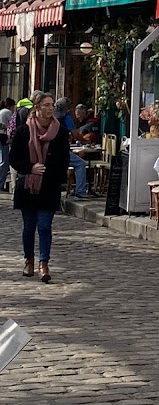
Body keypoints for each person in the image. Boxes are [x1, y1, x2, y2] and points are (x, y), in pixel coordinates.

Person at [10, 90, 70, 283]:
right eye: (46, 105)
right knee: (29, 227)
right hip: (28, 186)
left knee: (45, 226)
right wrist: (30, 168)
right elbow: (14, 159)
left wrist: (55, 177)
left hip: (49, 187)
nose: (50, 108)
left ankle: (44, 264)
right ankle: (29, 260)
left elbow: (64, 160)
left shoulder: (60, 131)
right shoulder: (24, 131)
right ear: (37, 108)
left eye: (52, 105)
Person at [55, 97, 92, 200]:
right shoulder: (66, 118)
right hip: (61, 149)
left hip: (50, 149)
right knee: (81, 164)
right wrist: (85, 141)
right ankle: (80, 191)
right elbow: (75, 134)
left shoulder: (51, 115)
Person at [0, 98, 16, 193]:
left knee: (2, 159)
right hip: (3, 136)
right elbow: (12, 124)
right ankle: (1, 182)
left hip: (1, 136)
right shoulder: (7, 112)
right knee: (4, 161)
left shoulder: (2, 111)